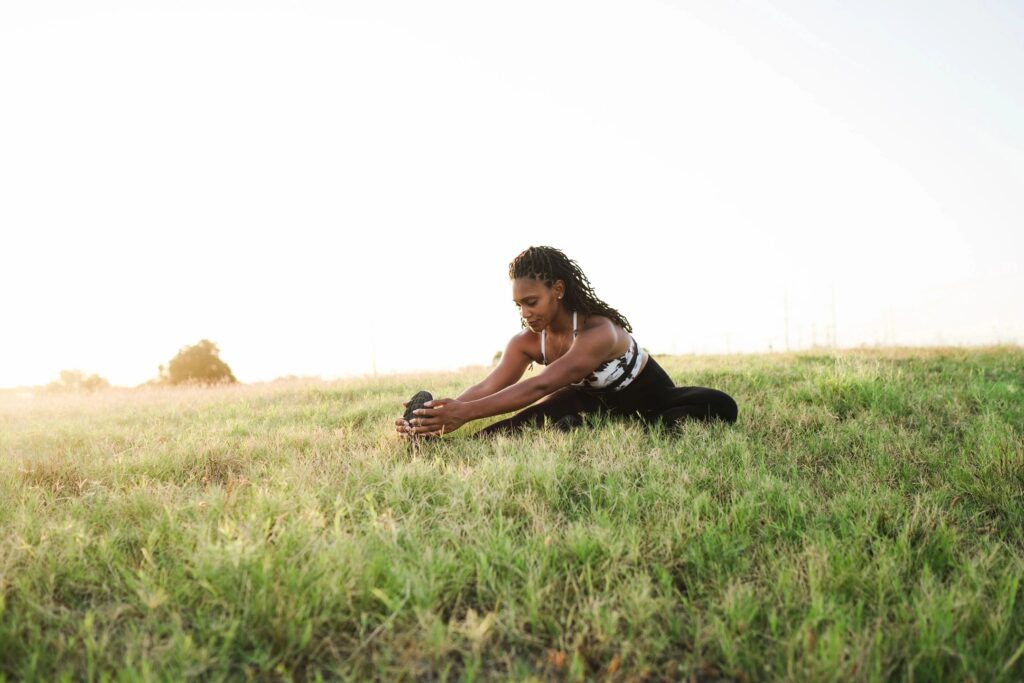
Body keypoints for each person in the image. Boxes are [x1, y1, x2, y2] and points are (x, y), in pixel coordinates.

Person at [396, 246, 737, 439]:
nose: (526, 312)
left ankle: (620, 427)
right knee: (504, 432)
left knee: (720, 406)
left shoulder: (599, 331)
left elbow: (540, 384)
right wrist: (437, 416)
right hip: (588, 399)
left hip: (648, 397)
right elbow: (489, 386)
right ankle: (578, 425)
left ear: (558, 291)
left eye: (532, 302)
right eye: (519, 305)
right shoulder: (526, 342)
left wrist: (464, 413)